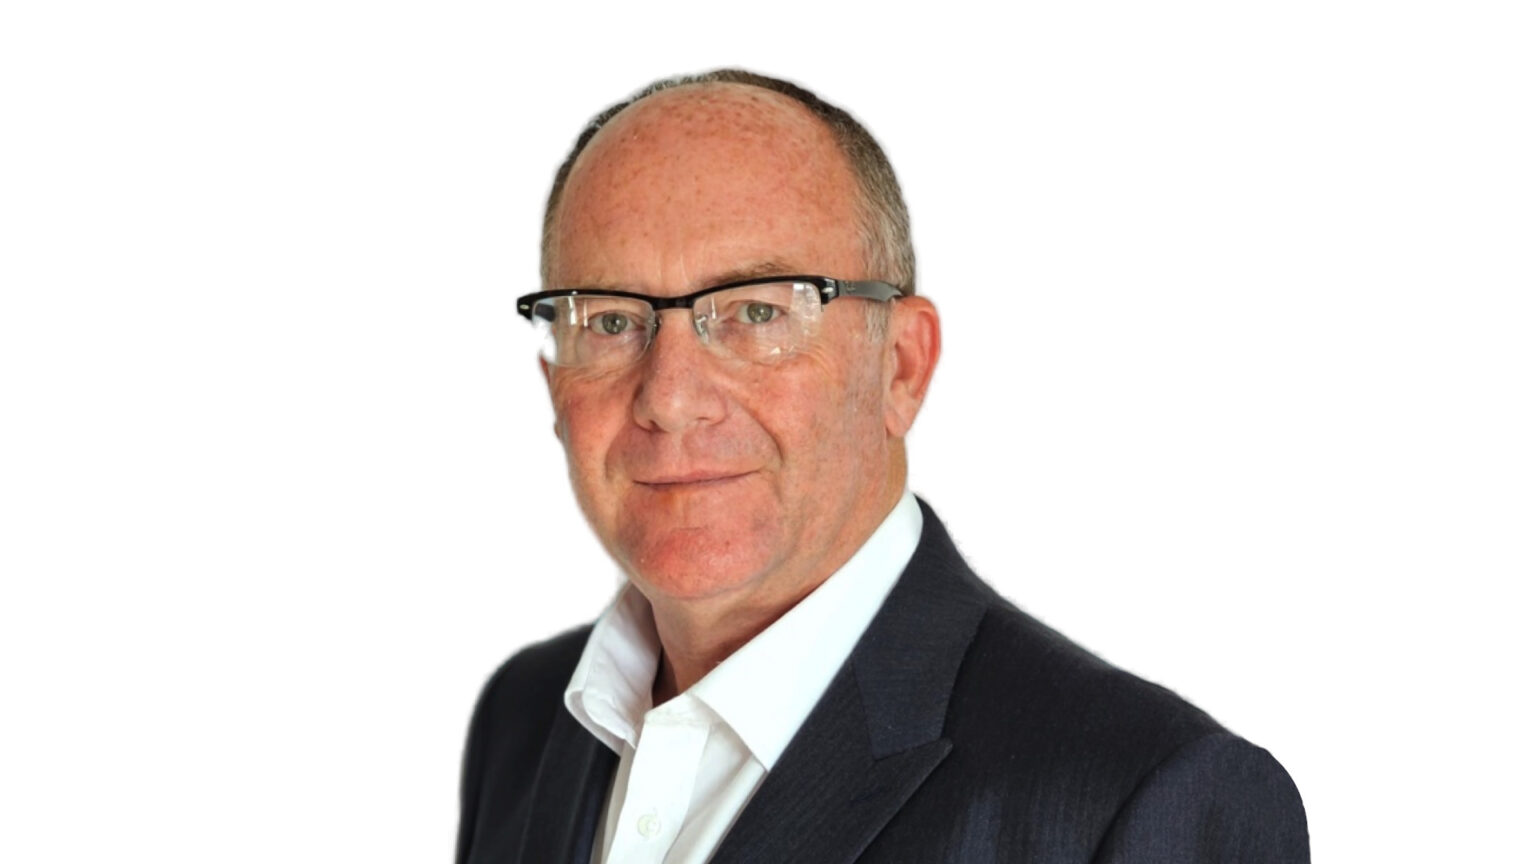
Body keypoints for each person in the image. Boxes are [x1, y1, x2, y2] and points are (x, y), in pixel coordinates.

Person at [457, 69, 1309, 864]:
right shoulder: (523, 720)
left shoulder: (1142, 801)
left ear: (901, 367)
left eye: (758, 312)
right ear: (555, 384)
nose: (671, 398)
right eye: (609, 322)